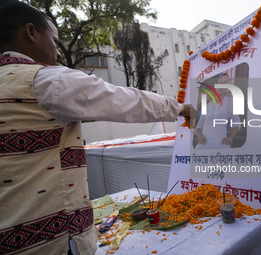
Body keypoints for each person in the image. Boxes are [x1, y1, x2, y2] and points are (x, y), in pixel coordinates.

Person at [0, 1, 192, 254]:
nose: (58, 53)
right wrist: (181, 109)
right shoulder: (46, 79)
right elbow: (124, 100)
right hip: (49, 242)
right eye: (55, 42)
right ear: (31, 33)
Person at [195, 72, 240, 150]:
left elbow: (237, 124)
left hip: (221, 143)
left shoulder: (230, 102)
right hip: (205, 143)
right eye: (221, 82)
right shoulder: (207, 106)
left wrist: (229, 139)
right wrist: (200, 137)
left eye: (225, 83)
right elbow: (198, 127)